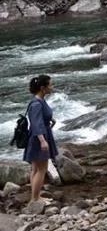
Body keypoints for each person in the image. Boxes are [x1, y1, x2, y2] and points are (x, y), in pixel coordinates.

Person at [24, 75, 58, 203]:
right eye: (50, 85)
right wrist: (43, 141)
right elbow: (36, 124)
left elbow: (40, 119)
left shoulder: (39, 101)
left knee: (36, 168)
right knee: (41, 169)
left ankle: (35, 197)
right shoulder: (37, 104)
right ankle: (36, 198)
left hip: (39, 136)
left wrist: (50, 120)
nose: (52, 87)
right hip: (39, 138)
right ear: (43, 88)